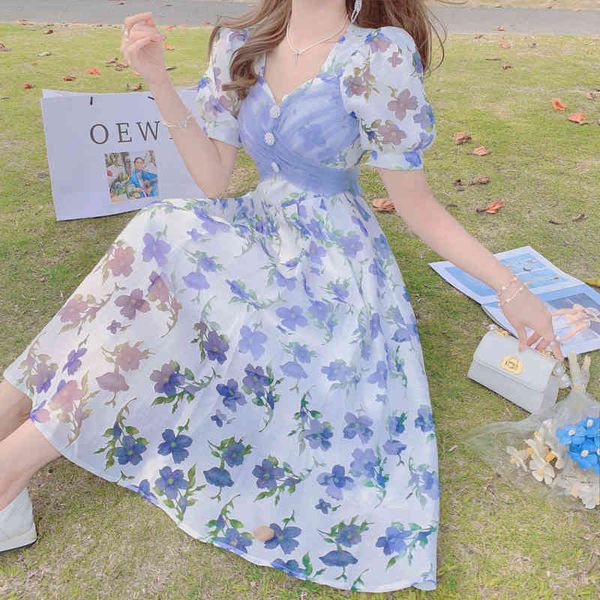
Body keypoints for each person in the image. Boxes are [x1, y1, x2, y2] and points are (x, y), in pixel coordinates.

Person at [0, 0, 566, 593]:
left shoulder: (378, 55)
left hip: (332, 270)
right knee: (158, 230)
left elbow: (418, 205)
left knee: (166, 256)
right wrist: (158, 79)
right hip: (260, 228)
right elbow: (214, 179)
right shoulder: (241, 43)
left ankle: (9, 470)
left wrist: (510, 287)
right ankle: (10, 418)